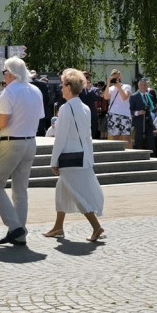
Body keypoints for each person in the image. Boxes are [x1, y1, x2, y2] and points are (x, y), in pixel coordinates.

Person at [43, 68, 105, 242]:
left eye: (62, 85)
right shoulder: (84, 107)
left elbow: (60, 137)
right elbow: (88, 135)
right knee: (61, 191)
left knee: (78, 194)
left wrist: (53, 161)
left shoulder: (66, 108)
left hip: (70, 158)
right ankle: (58, 227)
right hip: (82, 156)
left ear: (69, 87)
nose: (61, 88)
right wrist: (89, 158)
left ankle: (96, 226)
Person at [0, 57, 44, 246]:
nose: (3, 76)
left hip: (12, 142)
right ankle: (19, 232)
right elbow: (39, 117)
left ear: (10, 73)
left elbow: (3, 121)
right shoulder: (35, 90)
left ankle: (15, 226)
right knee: (20, 190)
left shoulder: (9, 91)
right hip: (30, 141)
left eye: (4, 72)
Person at [102, 69, 132, 147]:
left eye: (117, 77)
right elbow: (105, 97)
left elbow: (125, 97)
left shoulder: (127, 86)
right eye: (114, 78)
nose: (115, 79)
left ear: (120, 77)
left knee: (126, 137)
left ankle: (130, 155)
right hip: (113, 114)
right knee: (115, 137)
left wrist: (119, 87)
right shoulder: (111, 88)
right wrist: (108, 83)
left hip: (124, 114)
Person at [129, 77, 156, 150]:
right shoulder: (134, 96)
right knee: (138, 142)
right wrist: (138, 112)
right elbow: (130, 110)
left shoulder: (150, 96)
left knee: (151, 142)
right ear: (138, 86)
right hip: (138, 122)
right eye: (142, 85)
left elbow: (153, 108)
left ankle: (152, 157)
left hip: (148, 122)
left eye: (145, 85)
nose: (143, 87)